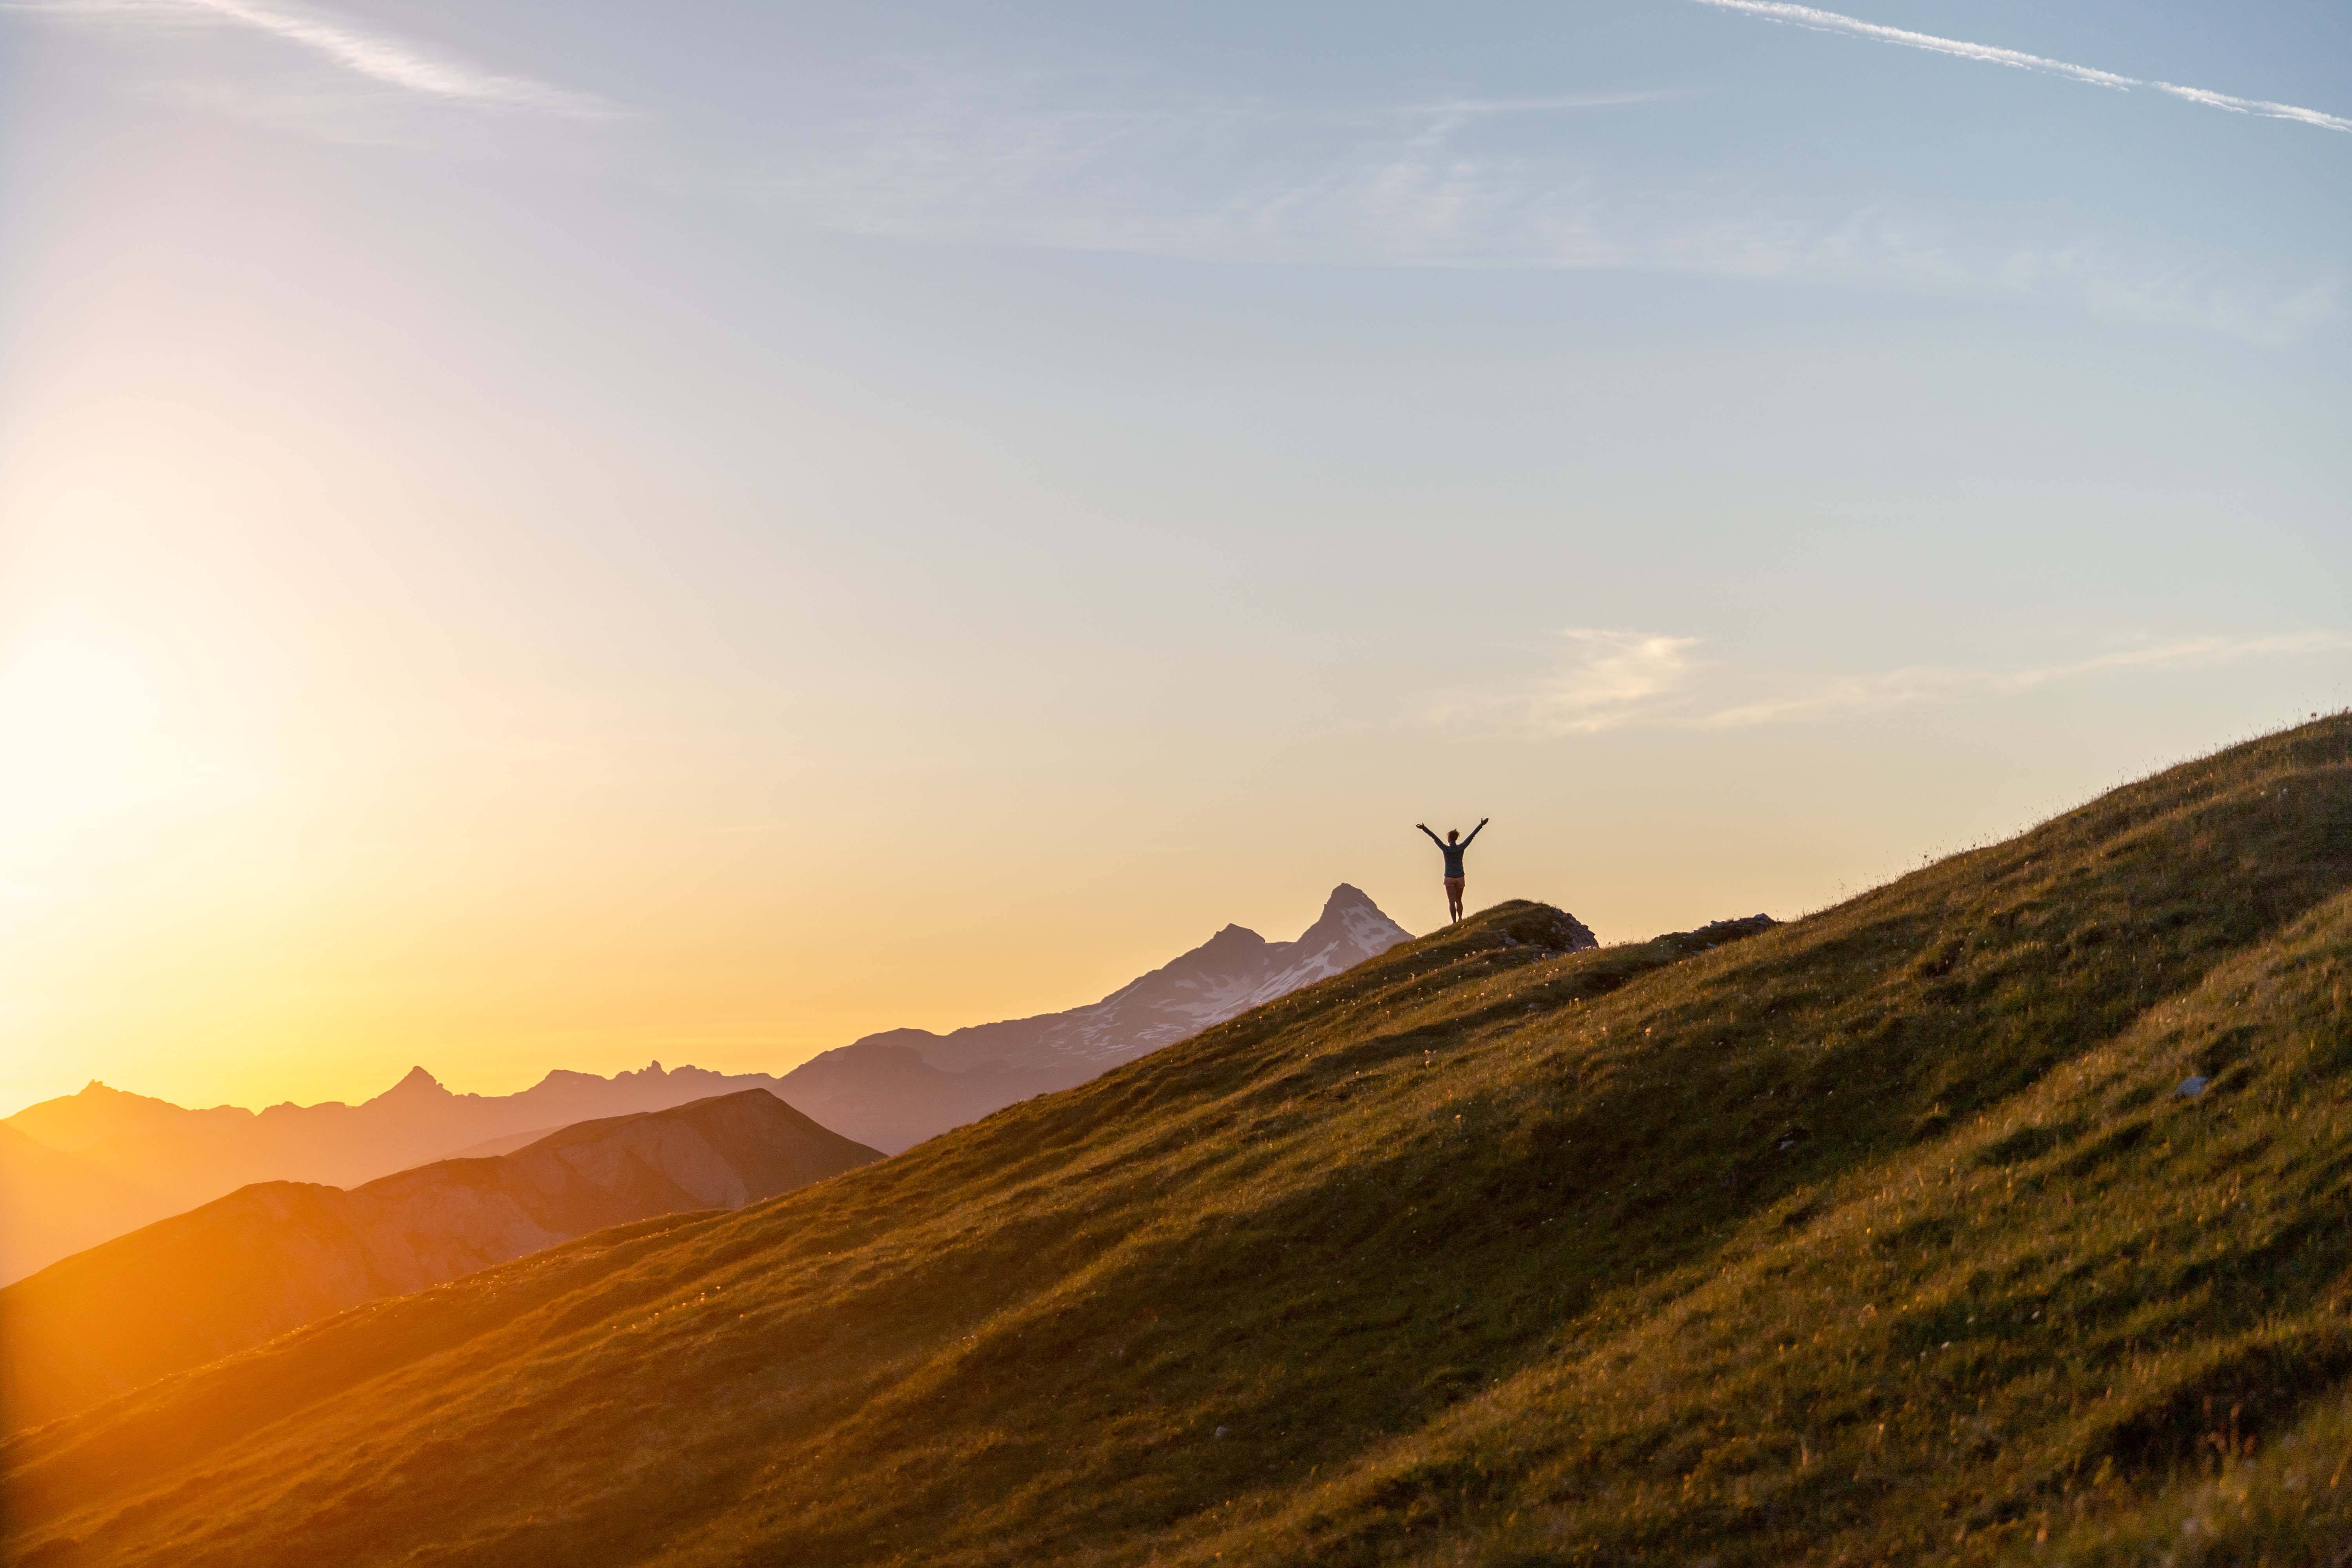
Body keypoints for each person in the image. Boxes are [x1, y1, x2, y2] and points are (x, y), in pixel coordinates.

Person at [1416, 818, 1487, 924]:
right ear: (1456, 838)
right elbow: (1471, 837)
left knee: (1451, 902)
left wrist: (1425, 829)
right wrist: (1481, 825)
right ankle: (1460, 919)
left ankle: (1454, 922)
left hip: (1449, 877)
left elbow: (1435, 838)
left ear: (1449, 839)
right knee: (1459, 900)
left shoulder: (1446, 849)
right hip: (1460, 876)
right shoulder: (1462, 847)